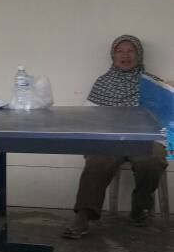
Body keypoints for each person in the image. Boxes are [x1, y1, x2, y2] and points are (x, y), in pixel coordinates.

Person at [62, 35, 167, 237]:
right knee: (97, 162)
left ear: (139, 55)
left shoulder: (152, 84)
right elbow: (89, 117)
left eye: (130, 51)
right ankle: (83, 215)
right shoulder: (103, 83)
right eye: (120, 51)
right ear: (113, 55)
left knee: (152, 161)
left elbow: (164, 117)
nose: (125, 56)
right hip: (109, 139)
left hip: (145, 138)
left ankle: (139, 208)